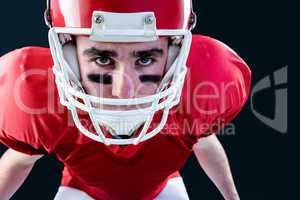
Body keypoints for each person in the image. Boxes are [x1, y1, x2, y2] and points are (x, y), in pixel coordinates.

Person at [0, 0, 251, 199]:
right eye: (102, 59)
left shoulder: (193, 94)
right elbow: (19, 160)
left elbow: (204, 142)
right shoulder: (42, 101)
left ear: (174, 55)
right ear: (69, 56)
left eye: (144, 60)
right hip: (83, 193)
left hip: (162, 190)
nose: (123, 91)